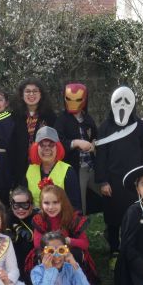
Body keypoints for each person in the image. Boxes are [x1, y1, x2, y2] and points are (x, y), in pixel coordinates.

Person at [95, 86, 143, 264]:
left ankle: (133, 249)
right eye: (118, 101)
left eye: (127, 101)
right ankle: (114, 250)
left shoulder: (141, 126)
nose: (122, 105)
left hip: (135, 181)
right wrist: (103, 181)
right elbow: (101, 156)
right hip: (112, 181)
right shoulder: (104, 127)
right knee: (113, 219)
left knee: (136, 216)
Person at [28, 184, 98, 284]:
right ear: (41, 204)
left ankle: (72, 280)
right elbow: (37, 244)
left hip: (68, 252)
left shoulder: (72, 217)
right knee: (41, 254)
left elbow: (85, 244)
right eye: (46, 203)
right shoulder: (40, 219)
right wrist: (54, 247)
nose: (51, 207)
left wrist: (68, 240)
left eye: (55, 202)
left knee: (76, 253)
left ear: (63, 203)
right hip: (49, 252)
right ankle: (49, 280)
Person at [55, 82, 103, 214]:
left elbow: (95, 137)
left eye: (78, 100)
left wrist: (94, 144)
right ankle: (79, 232)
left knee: (108, 192)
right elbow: (58, 143)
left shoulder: (87, 118)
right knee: (79, 205)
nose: (73, 103)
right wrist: (75, 143)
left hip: (92, 167)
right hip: (77, 169)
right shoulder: (61, 120)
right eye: (69, 99)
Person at [10, 78, 56, 186]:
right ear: (21, 95)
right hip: (20, 167)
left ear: (41, 94)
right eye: (27, 91)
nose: (31, 94)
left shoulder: (50, 116)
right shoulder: (14, 116)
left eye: (35, 91)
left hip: (43, 164)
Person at [24, 126, 81, 212]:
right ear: (36, 148)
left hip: (61, 221)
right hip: (35, 221)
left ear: (58, 147)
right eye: (42, 145)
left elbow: (75, 207)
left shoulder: (68, 171)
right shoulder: (29, 170)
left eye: (51, 144)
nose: (47, 148)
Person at [6, 186, 36, 285]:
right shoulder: (7, 217)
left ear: (31, 205)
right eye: (16, 205)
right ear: (11, 205)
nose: (20, 209)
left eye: (25, 205)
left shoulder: (37, 218)